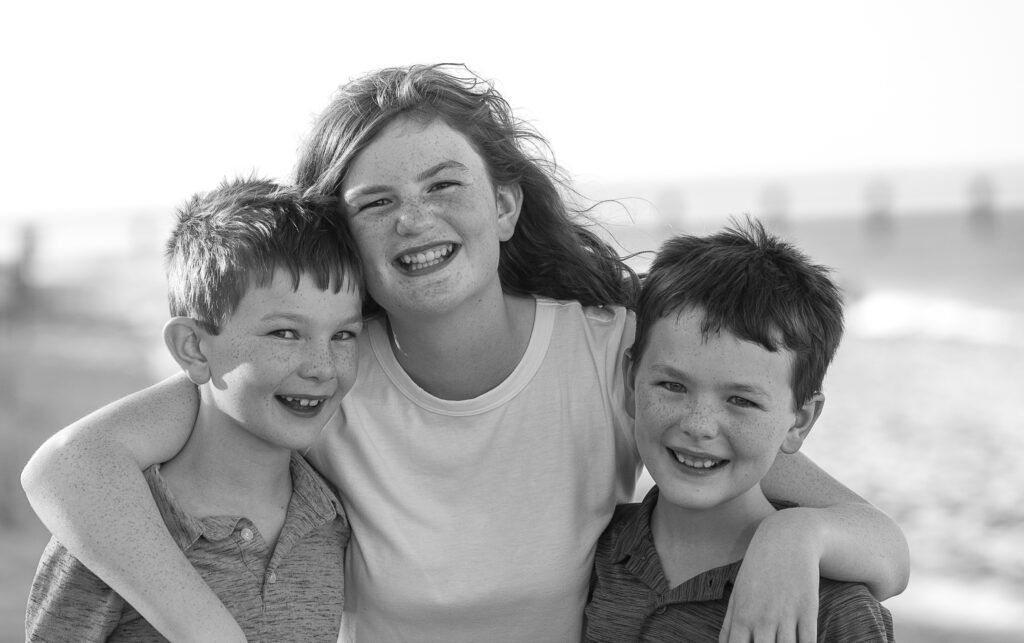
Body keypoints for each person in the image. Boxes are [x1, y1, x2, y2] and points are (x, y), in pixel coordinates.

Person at [21, 65, 909, 642]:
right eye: (376, 204)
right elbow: (69, 469)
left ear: (507, 209)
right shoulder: (325, 368)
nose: (415, 218)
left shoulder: (610, 352)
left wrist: (798, 533)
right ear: (347, 243)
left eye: (445, 186)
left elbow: (880, 546)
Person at [25, 179, 362, 641]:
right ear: (194, 349)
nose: (323, 368)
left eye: (344, 335)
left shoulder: (331, 521)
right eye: (285, 333)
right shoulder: (107, 528)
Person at [584, 219, 894, 642]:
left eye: (741, 401)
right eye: (672, 386)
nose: (697, 425)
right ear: (631, 383)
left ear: (800, 421)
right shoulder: (588, 552)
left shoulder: (834, 611)